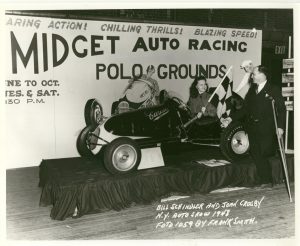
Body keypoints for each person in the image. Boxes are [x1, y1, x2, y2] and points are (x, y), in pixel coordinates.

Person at [221, 65, 286, 185]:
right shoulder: (252, 89)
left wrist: (281, 127)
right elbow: (245, 109)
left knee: (263, 153)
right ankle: (265, 180)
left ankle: (268, 179)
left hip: (266, 128)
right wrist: (230, 118)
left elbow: (281, 109)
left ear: (262, 75)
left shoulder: (273, 89)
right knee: (256, 154)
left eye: (254, 74)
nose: (252, 76)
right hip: (252, 127)